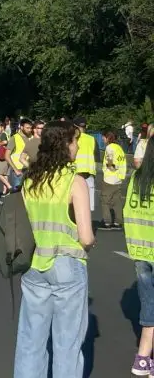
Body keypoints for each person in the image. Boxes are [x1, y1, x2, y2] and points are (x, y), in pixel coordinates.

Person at [14, 121, 95, 378]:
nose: (78, 145)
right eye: (74, 141)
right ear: (64, 145)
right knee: (67, 344)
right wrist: (90, 244)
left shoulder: (31, 181)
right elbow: (86, 237)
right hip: (67, 266)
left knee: (31, 340)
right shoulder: (75, 182)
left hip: (35, 265)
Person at [123, 133, 154, 375]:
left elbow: (128, 211)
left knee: (149, 303)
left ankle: (143, 358)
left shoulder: (137, 178)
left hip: (140, 250)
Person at [98, 130, 126, 230]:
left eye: (104, 137)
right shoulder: (119, 148)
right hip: (119, 178)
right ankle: (118, 222)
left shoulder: (109, 148)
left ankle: (107, 222)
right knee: (117, 201)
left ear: (108, 138)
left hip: (110, 178)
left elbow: (110, 164)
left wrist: (111, 168)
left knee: (105, 200)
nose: (102, 139)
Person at [73, 118, 98, 211]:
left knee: (75, 202)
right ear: (85, 126)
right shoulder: (92, 139)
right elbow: (97, 157)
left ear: (75, 127)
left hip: (75, 172)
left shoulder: (72, 138)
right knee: (88, 204)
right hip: (89, 174)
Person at [6, 119, 33, 193]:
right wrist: (15, 170)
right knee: (18, 191)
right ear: (21, 127)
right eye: (27, 128)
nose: (30, 130)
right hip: (19, 170)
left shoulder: (32, 137)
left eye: (31, 128)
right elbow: (7, 156)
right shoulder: (14, 138)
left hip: (30, 168)